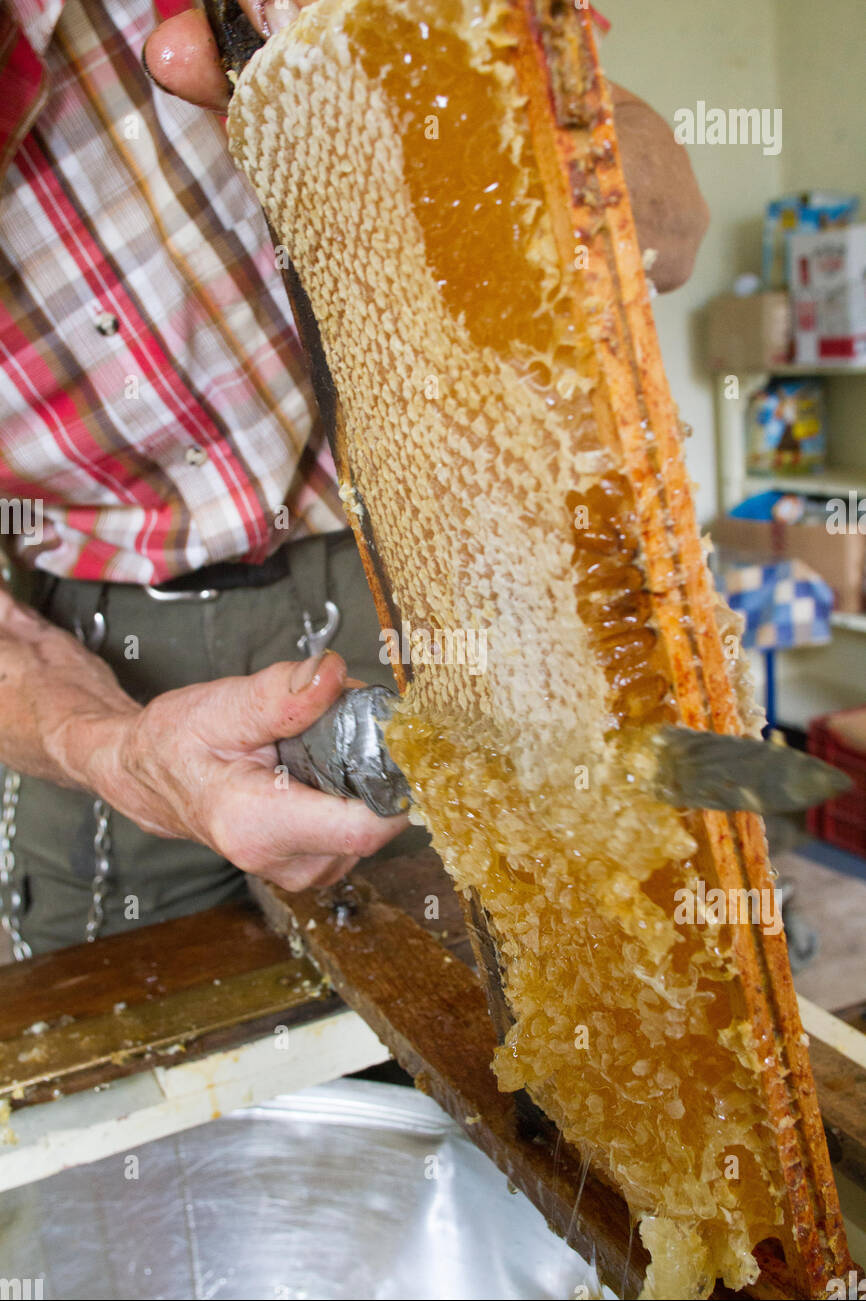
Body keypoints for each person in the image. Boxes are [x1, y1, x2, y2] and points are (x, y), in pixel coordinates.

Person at [0, 0, 709, 959]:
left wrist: (486, 106)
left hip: (419, 585)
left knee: (515, 986)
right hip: (82, 664)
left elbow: (669, 225)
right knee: (136, 1060)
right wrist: (111, 751)